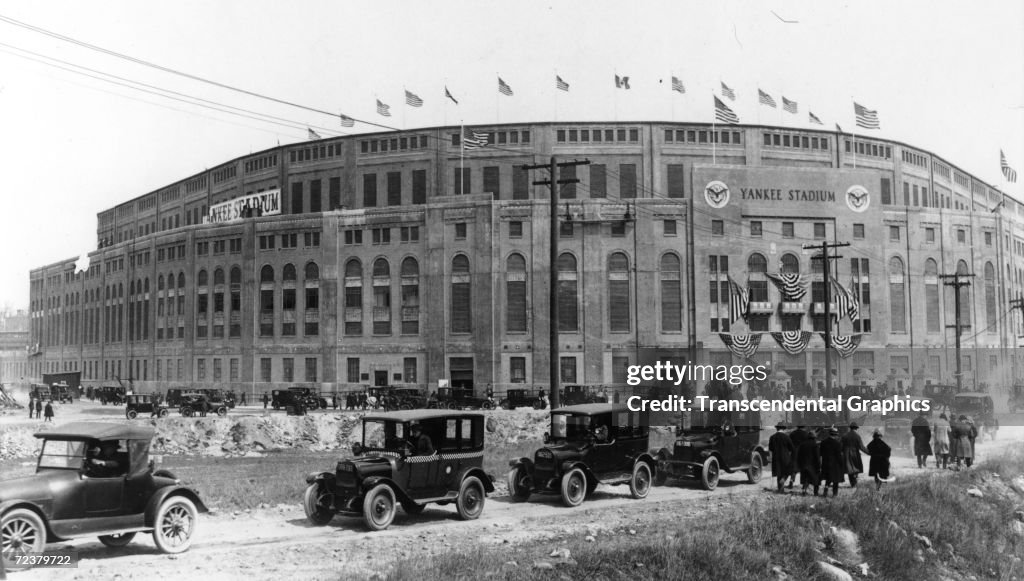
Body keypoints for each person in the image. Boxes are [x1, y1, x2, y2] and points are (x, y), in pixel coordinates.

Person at [768, 423, 795, 493]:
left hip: (776, 458)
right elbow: (792, 448)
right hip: (785, 457)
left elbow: (770, 448)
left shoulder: (772, 437)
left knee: (778, 473)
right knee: (788, 471)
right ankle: (783, 480)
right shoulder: (786, 437)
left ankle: (780, 490)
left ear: (777, 428)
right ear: (783, 429)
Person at [840, 422, 868, 488]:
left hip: (846, 455)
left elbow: (840, 446)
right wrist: (869, 453)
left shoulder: (844, 436)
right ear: (856, 428)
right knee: (856, 468)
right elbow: (861, 447)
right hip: (855, 455)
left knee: (850, 470)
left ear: (850, 428)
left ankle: (852, 483)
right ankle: (854, 482)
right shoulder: (857, 436)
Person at [819, 427, 845, 498]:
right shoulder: (837, 444)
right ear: (836, 435)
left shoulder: (823, 442)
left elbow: (820, 454)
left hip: (825, 463)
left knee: (828, 478)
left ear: (829, 433)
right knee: (835, 479)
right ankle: (834, 494)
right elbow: (839, 456)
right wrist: (841, 464)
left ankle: (826, 490)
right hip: (835, 464)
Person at [795, 428, 822, 496]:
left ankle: (804, 490)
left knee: (805, 479)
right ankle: (815, 493)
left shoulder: (802, 445)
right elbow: (817, 457)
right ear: (814, 437)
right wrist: (819, 465)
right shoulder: (815, 445)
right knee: (816, 480)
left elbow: (799, 455)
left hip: (803, 465)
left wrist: (799, 464)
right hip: (813, 465)